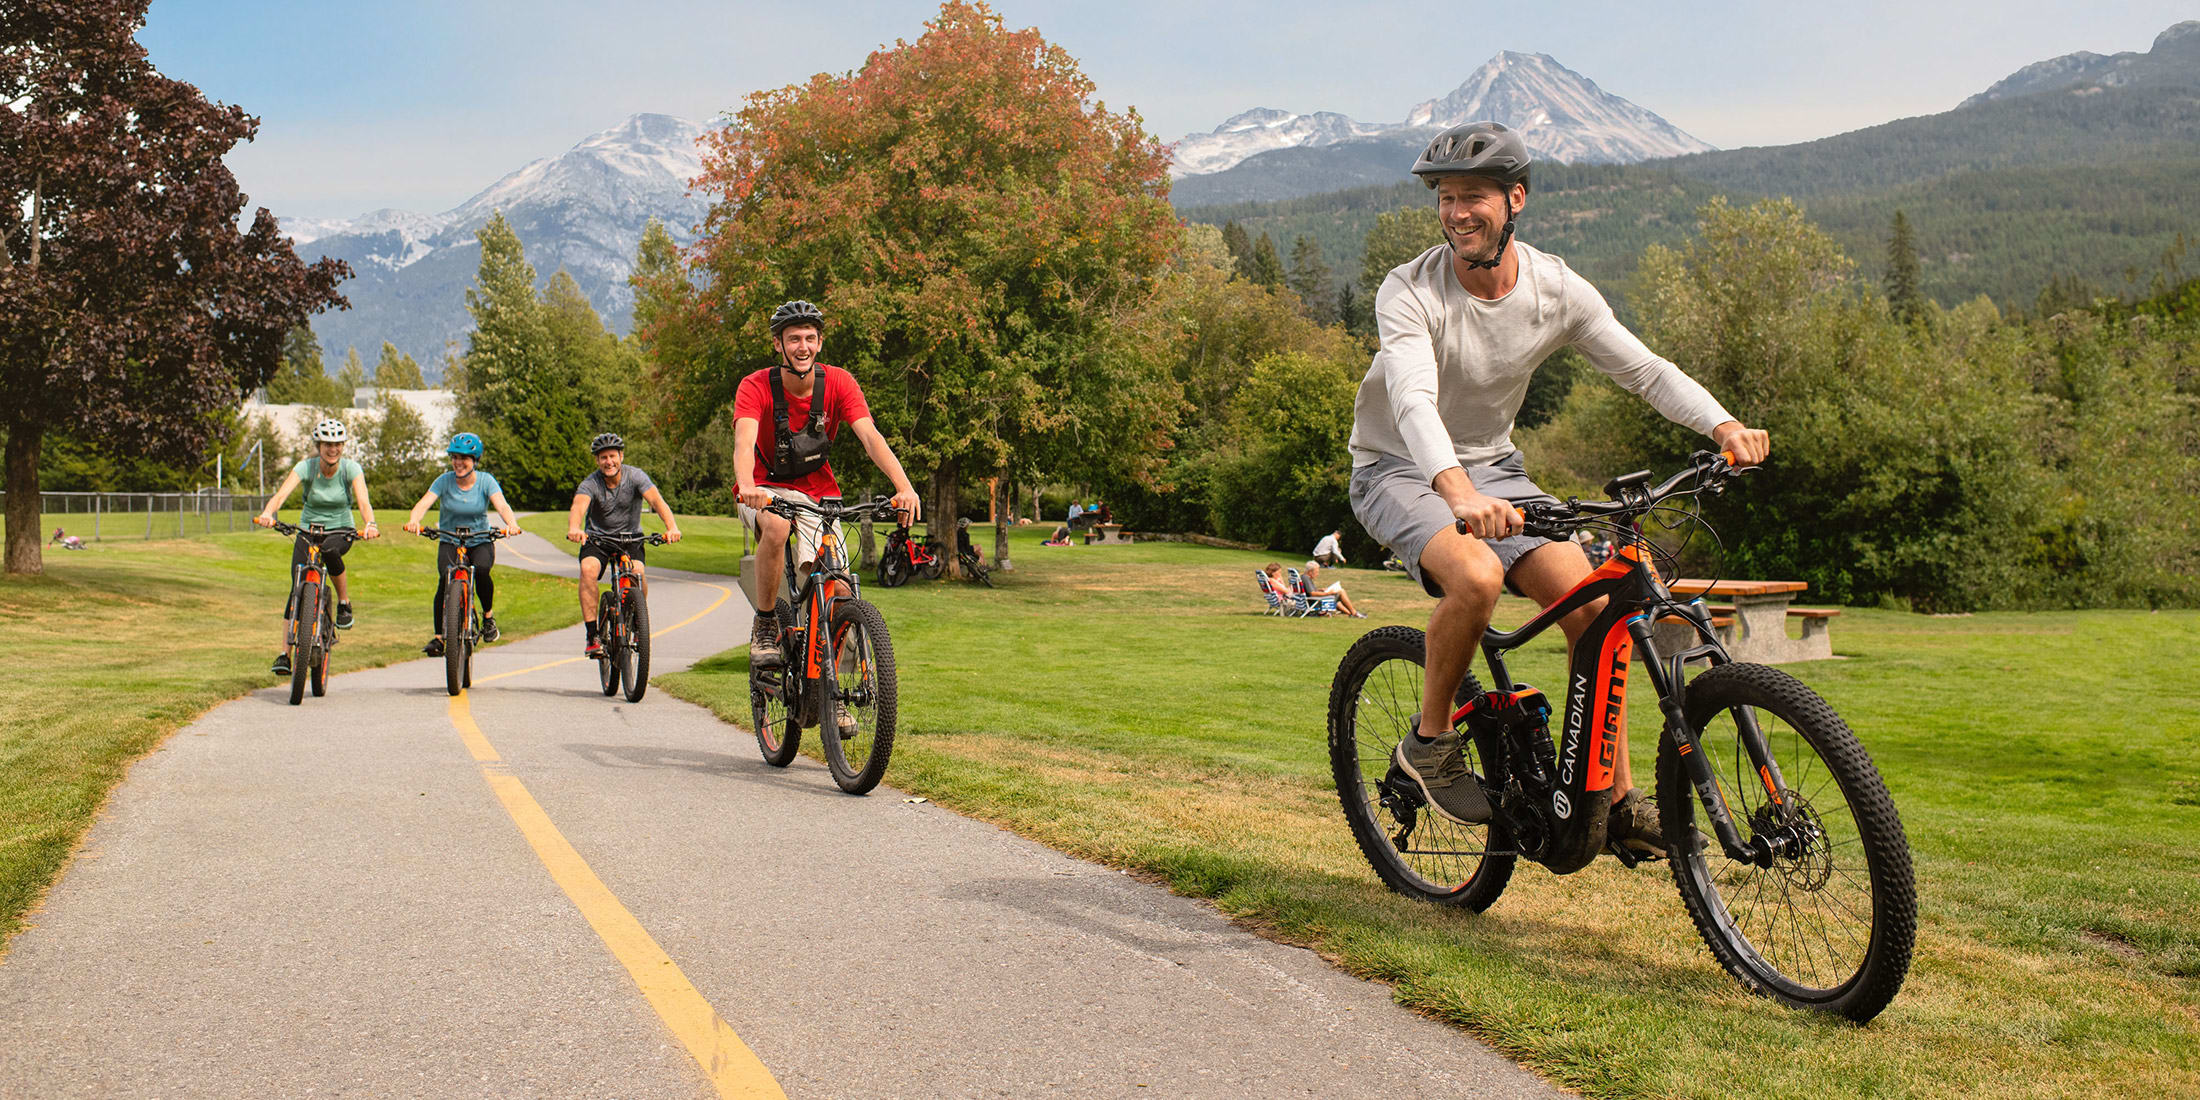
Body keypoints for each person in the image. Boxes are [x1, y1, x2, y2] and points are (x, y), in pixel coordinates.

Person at [1348, 121, 1768, 858]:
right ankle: (1431, 742)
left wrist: (1722, 424)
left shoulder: (1555, 288)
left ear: (1515, 199)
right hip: (1399, 467)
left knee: (1601, 608)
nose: (1455, 214)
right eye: (1445, 198)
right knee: (1475, 577)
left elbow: (1643, 369)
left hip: (1496, 470)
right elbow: (1413, 399)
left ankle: (1616, 797)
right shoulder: (1409, 290)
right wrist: (1455, 490)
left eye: (1472, 197)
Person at [732, 300, 922, 672]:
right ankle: (766, 624)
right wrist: (746, 485)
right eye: (793, 339)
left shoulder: (838, 382)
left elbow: (870, 437)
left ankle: (835, 696)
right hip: (763, 487)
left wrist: (905, 487)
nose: (802, 346)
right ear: (778, 344)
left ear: (819, 343)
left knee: (840, 590)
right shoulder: (755, 386)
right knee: (775, 524)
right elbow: (743, 441)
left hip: (819, 493)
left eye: (809, 338)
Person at [255, 418, 381, 674]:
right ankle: (284, 654)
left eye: (336, 444)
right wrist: (269, 513)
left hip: (340, 529)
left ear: (343, 445)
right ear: (318, 445)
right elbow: (281, 495)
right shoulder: (307, 467)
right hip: (307, 530)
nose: (332, 449)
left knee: (331, 551)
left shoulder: (351, 469)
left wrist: (370, 524)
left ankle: (344, 602)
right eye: (326, 444)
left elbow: (363, 501)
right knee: (296, 587)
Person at [403, 433, 522, 656]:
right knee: (445, 580)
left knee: (483, 571)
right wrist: (414, 521)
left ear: (474, 460)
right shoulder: (444, 481)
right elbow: (423, 503)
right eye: (455, 457)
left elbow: (502, 505)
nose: (458, 463)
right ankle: (439, 638)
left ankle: (488, 618)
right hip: (450, 539)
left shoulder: (486, 481)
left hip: (480, 540)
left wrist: (511, 524)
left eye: (464, 458)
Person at [567, 432, 683, 659]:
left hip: (630, 540)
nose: (608, 462)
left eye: (612, 456)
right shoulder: (590, 483)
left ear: (621, 456)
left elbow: (656, 501)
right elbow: (579, 506)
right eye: (603, 458)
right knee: (587, 570)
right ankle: (593, 636)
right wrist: (574, 527)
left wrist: (672, 527)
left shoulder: (636, 476)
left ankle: (639, 622)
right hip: (597, 540)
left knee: (637, 572)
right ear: (597, 461)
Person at [1301, 561, 1365, 618]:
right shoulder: (1306, 579)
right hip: (1315, 603)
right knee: (1341, 592)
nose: (1317, 574)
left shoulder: (1304, 577)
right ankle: (1354, 613)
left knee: (1337, 597)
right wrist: (1328, 593)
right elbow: (1312, 593)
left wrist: (1320, 590)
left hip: (1313, 601)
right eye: (1316, 572)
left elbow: (1310, 591)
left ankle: (1351, 614)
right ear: (1310, 572)